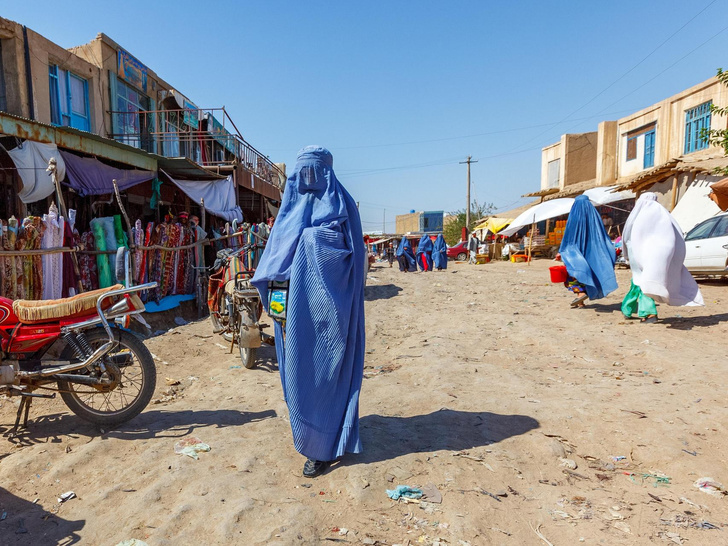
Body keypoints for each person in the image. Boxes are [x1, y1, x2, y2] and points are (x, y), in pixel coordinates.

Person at [252, 146, 365, 478]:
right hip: (291, 314)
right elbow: (274, 265)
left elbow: (355, 265)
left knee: (330, 375)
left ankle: (326, 447)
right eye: (302, 174)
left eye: (314, 172)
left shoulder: (343, 208)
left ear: (327, 173)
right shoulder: (288, 213)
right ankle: (309, 439)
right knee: (299, 379)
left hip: (331, 313)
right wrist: (278, 310)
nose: (307, 182)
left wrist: (312, 243)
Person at [621, 192, 703, 323]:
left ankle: (639, 311)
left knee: (641, 282)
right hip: (651, 257)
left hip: (636, 256)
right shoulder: (662, 215)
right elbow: (674, 237)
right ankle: (640, 311)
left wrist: (626, 255)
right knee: (642, 283)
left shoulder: (635, 216)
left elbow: (626, 237)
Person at [559, 195, 618, 308]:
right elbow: (602, 235)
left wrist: (563, 250)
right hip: (593, 251)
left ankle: (580, 294)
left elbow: (568, 236)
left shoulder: (574, 216)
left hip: (575, 250)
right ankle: (581, 298)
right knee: (591, 270)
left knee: (575, 270)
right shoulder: (594, 215)